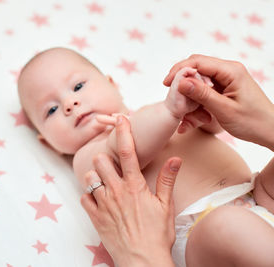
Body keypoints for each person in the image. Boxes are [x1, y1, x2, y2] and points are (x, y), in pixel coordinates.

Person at [17, 48, 274, 266]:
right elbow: (125, 148)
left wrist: (210, 103)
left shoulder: (157, 111)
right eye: (51, 110)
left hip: (257, 190)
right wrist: (171, 111)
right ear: (48, 144)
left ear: (112, 84)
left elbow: (211, 127)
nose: (70, 104)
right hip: (200, 230)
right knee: (227, 225)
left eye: (78, 86)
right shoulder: (87, 157)